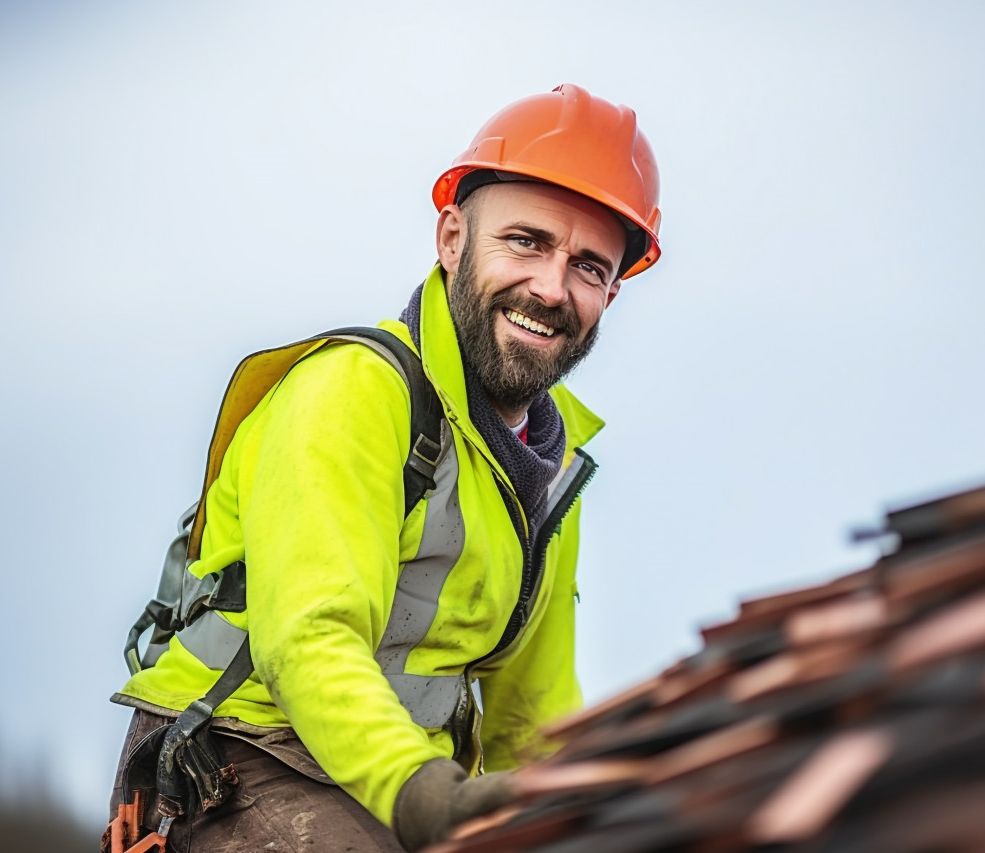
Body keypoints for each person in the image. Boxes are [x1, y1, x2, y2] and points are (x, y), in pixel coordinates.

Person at [108, 83, 662, 852]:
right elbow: (310, 639)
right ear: (451, 239)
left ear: (610, 293)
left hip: (394, 777)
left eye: (589, 266)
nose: (551, 286)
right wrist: (423, 791)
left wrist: (562, 815)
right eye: (527, 241)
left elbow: (531, 716)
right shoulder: (357, 392)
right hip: (239, 751)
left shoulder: (553, 466)